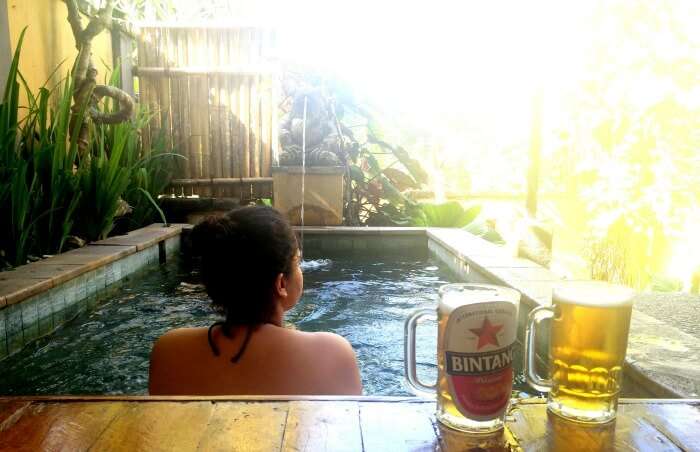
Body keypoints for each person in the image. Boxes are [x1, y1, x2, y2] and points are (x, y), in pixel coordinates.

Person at [149, 206, 363, 395]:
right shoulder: (332, 353)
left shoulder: (169, 350)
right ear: (281, 284)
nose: (300, 269)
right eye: (297, 261)